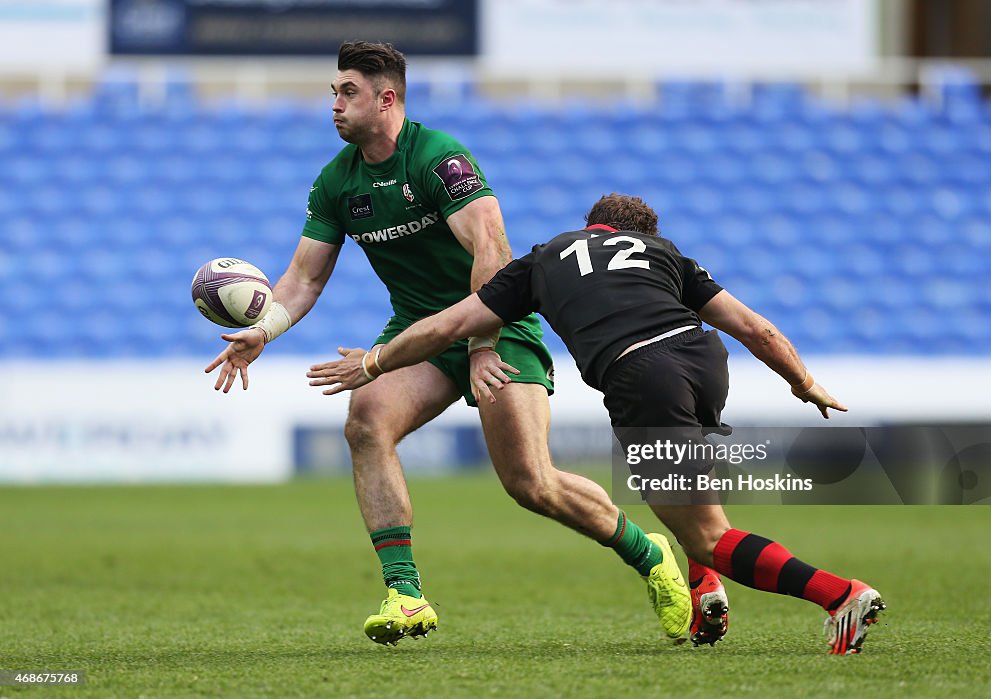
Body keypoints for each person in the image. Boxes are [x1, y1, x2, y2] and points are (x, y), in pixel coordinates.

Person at [205, 43, 694, 646]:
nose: (333, 104)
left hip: (498, 324)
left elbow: (493, 249)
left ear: (387, 99)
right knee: (365, 422)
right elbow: (304, 278)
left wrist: (483, 343)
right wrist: (262, 331)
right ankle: (405, 594)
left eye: (347, 91)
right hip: (419, 332)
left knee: (531, 484)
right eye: (333, 91)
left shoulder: (441, 159)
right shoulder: (336, 182)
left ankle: (651, 556)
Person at [308, 193, 888, 655]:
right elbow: (755, 328)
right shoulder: (666, 256)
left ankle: (840, 596)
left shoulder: (543, 259)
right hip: (703, 361)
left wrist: (374, 362)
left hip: (640, 373)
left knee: (706, 531)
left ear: (591, 227)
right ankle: (703, 585)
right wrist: (803, 382)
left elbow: (447, 326)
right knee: (693, 506)